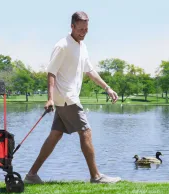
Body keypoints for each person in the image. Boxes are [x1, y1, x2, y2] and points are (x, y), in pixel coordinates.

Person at [24, 11, 121, 184]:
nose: (83, 32)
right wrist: (50, 98)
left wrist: (107, 87)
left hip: (67, 98)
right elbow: (51, 72)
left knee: (55, 135)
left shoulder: (82, 46)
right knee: (86, 132)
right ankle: (96, 176)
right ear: (72, 26)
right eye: (80, 29)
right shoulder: (63, 46)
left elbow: (89, 71)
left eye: (86, 29)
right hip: (67, 97)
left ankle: (31, 175)